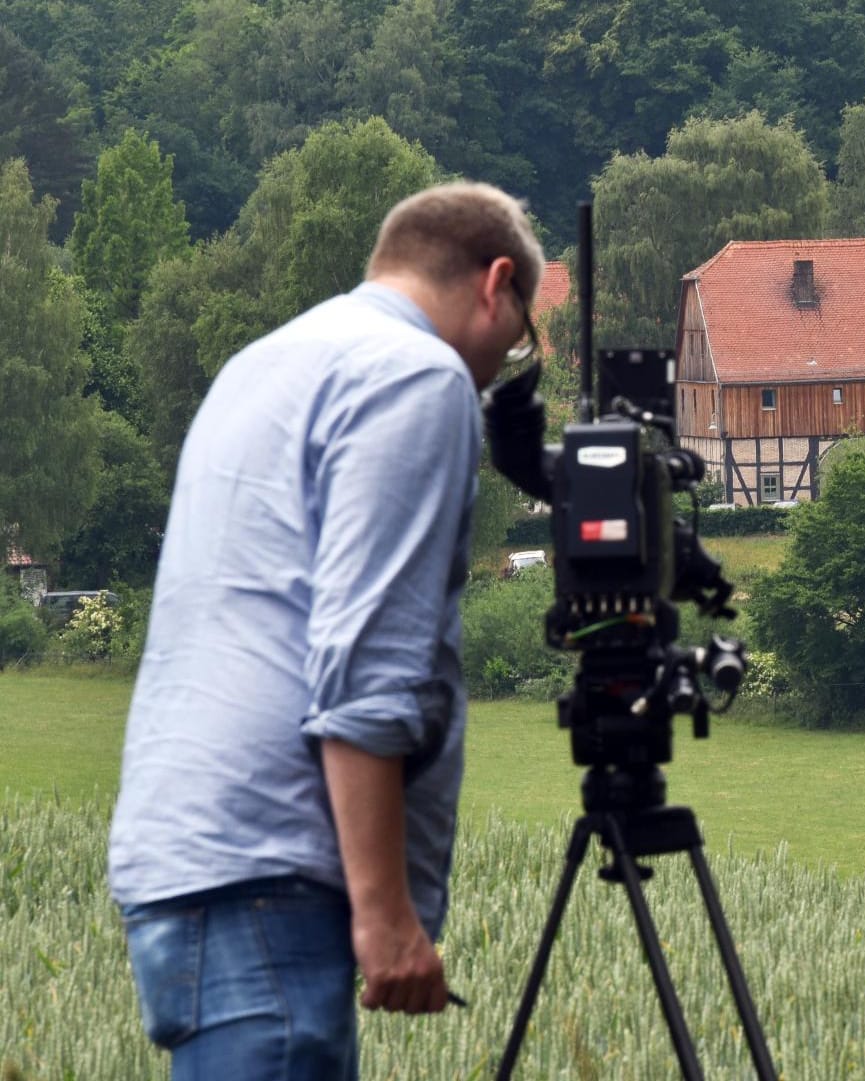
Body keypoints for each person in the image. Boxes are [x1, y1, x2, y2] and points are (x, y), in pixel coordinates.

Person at [108, 182, 543, 1080]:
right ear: (496, 282)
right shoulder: (417, 377)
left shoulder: (265, 363)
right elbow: (368, 660)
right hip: (274, 872)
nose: (503, 366)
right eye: (520, 339)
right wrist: (387, 916)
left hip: (184, 858)